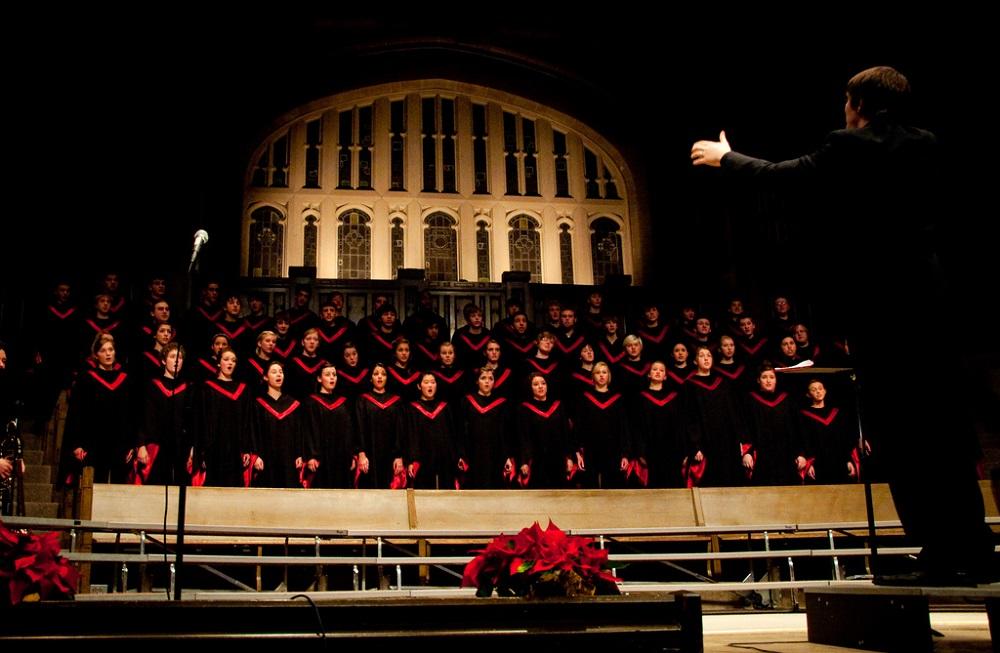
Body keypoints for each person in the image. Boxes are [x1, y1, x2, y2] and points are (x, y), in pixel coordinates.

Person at [692, 66, 993, 583]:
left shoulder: (850, 145)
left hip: (883, 305)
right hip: (932, 300)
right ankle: (972, 547)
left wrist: (727, 159)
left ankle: (942, 554)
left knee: (901, 432)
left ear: (856, 104)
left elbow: (781, 176)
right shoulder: (928, 144)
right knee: (943, 428)